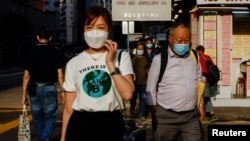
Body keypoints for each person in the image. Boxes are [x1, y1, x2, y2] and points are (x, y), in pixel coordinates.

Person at [60, 6, 135, 141]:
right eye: (89, 27)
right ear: (83, 31)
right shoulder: (74, 62)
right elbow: (68, 109)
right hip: (80, 123)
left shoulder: (121, 57)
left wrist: (110, 62)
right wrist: (63, 138)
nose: (94, 32)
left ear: (109, 30)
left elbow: (127, 94)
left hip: (111, 123)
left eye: (101, 28)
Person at [145, 22, 205, 141]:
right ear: (170, 39)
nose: (183, 44)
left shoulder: (194, 56)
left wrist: (201, 105)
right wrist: (156, 112)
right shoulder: (159, 60)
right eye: (179, 40)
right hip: (166, 118)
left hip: (191, 117)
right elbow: (150, 89)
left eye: (187, 40)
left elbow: (200, 81)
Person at [21, 26, 65, 141]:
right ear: (50, 38)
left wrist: (23, 96)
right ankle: (44, 139)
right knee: (51, 117)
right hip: (49, 88)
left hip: (33, 89)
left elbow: (26, 76)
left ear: (37, 37)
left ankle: (42, 138)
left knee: (37, 118)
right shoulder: (56, 53)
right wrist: (63, 91)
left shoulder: (29, 52)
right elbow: (60, 75)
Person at [196, 45, 217, 121]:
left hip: (199, 80)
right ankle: (210, 112)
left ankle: (208, 112)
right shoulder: (207, 57)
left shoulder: (197, 57)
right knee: (206, 97)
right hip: (208, 80)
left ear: (198, 51)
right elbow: (213, 66)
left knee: (201, 97)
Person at [130, 41, 149, 121]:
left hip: (144, 83)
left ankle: (141, 113)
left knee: (143, 99)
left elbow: (148, 70)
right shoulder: (132, 57)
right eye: (139, 48)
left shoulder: (146, 58)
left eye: (142, 49)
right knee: (133, 98)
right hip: (133, 82)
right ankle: (132, 109)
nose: (140, 50)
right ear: (136, 49)